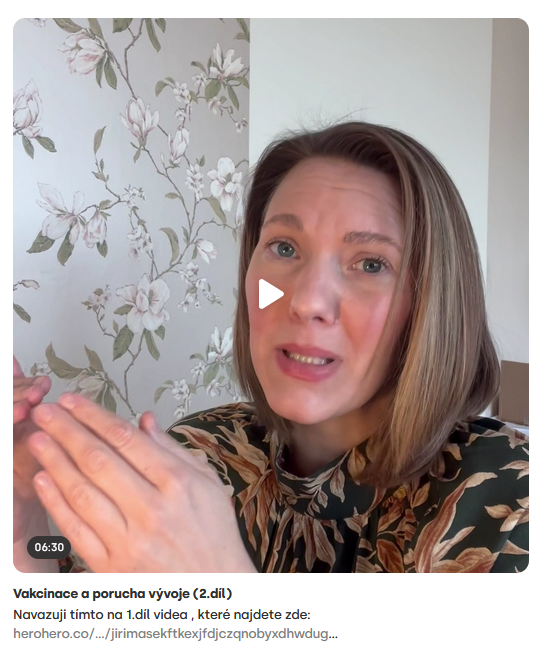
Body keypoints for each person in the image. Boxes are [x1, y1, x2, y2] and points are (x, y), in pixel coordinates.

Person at [13, 122, 528, 573]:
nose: (305, 301)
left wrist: (218, 589)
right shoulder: (203, 450)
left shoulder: (513, 501)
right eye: (284, 248)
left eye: (371, 264)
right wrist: (21, 517)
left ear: (433, 304)